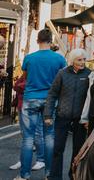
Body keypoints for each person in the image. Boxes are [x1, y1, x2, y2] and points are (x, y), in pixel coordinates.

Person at [17, 29, 66, 180]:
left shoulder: (29, 58)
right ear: (51, 41)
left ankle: (24, 175)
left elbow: (25, 76)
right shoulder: (59, 59)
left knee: (28, 138)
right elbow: (63, 78)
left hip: (30, 99)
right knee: (49, 136)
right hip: (50, 100)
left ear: (38, 41)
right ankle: (49, 174)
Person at [44, 48, 91, 180]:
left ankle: (74, 176)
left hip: (80, 119)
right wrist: (48, 115)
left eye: (84, 59)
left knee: (78, 150)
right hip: (62, 116)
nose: (82, 62)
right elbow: (52, 94)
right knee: (58, 148)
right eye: (79, 60)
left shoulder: (89, 74)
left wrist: (89, 118)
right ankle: (55, 177)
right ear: (72, 61)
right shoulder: (62, 73)